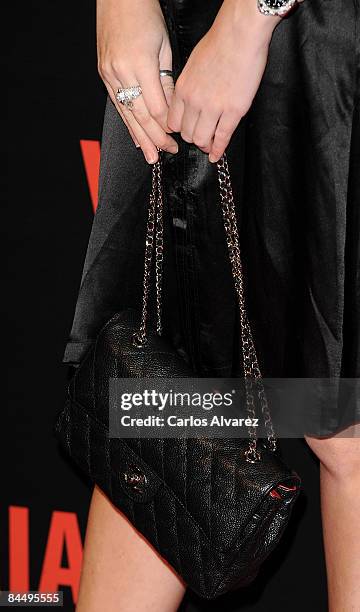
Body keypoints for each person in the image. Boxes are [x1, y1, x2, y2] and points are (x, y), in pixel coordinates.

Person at [62, 0, 360, 610]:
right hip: (178, 35)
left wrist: (251, 18)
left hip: (318, 37)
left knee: (344, 422)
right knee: (164, 392)